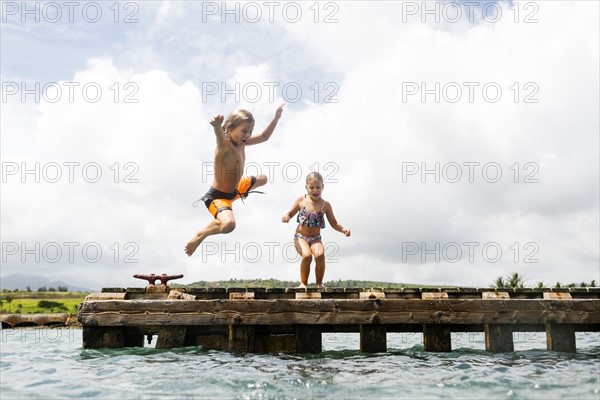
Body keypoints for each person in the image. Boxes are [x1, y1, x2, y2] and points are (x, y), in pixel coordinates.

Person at [185, 104, 284, 257]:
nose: (248, 135)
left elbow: (264, 136)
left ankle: (241, 192)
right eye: (245, 131)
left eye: (250, 131)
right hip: (218, 197)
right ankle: (201, 234)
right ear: (230, 129)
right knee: (229, 225)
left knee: (263, 179)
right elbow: (220, 138)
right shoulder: (225, 146)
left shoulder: (242, 142)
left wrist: (276, 117)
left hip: (236, 190)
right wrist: (217, 127)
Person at [281, 172, 350, 288]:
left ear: (323, 187)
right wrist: (286, 217)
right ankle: (303, 283)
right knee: (307, 256)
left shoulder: (325, 205)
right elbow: (289, 213)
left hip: (316, 239)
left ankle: (319, 283)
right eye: (311, 187)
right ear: (306, 187)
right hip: (300, 237)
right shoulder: (301, 200)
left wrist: (343, 229)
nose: (315, 190)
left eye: (318, 187)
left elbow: (334, 223)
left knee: (320, 255)